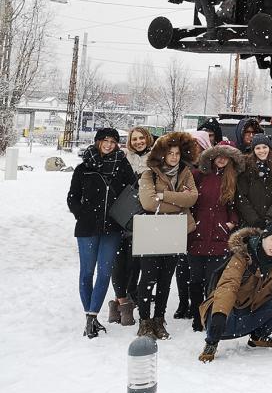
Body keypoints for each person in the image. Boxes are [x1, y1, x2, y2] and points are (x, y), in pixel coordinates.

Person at [198, 220, 272, 362]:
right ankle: (211, 343)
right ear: (264, 237)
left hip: (251, 312)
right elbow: (228, 285)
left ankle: (259, 336)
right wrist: (220, 315)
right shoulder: (242, 257)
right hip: (229, 316)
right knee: (218, 308)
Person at [68, 127, 137, 339]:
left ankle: (92, 316)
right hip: (87, 228)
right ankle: (90, 316)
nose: (108, 145)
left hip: (113, 228)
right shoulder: (84, 168)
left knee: (105, 273)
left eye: (113, 141)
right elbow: (72, 198)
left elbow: (131, 193)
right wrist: (83, 215)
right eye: (105, 140)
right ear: (98, 142)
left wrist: (122, 217)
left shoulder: (123, 167)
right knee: (87, 272)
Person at [135, 131, 201, 340]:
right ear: (162, 154)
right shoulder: (149, 174)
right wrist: (178, 201)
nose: (174, 157)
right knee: (148, 278)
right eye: (170, 153)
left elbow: (192, 199)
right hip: (153, 230)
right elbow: (148, 203)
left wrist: (164, 196)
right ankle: (145, 321)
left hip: (174, 230)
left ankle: (159, 319)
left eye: (177, 153)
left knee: (165, 279)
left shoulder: (186, 173)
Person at [188, 142, 243, 332]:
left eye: (226, 156)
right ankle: (195, 313)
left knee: (213, 280)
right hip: (197, 233)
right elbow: (189, 201)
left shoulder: (233, 178)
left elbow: (235, 206)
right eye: (219, 155)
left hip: (219, 236)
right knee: (195, 279)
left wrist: (231, 222)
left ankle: (208, 314)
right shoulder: (199, 175)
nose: (221, 159)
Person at [108, 126, 155, 328]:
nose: (138, 142)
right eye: (134, 139)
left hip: (144, 218)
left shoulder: (155, 161)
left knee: (136, 263)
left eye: (141, 138)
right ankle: (120, 302)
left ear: (147, 139)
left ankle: (130, 300)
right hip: (122, 216)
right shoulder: (122, 159)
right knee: (120, 262)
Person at [235, 134, 272, 228]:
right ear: (253, 150)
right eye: (258, 148)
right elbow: (241, 197)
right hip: (249, 222)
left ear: (269, 148)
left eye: (264, 147)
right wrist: (254, 219)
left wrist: (269, 217)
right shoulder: (246, 168)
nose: (262, 151)